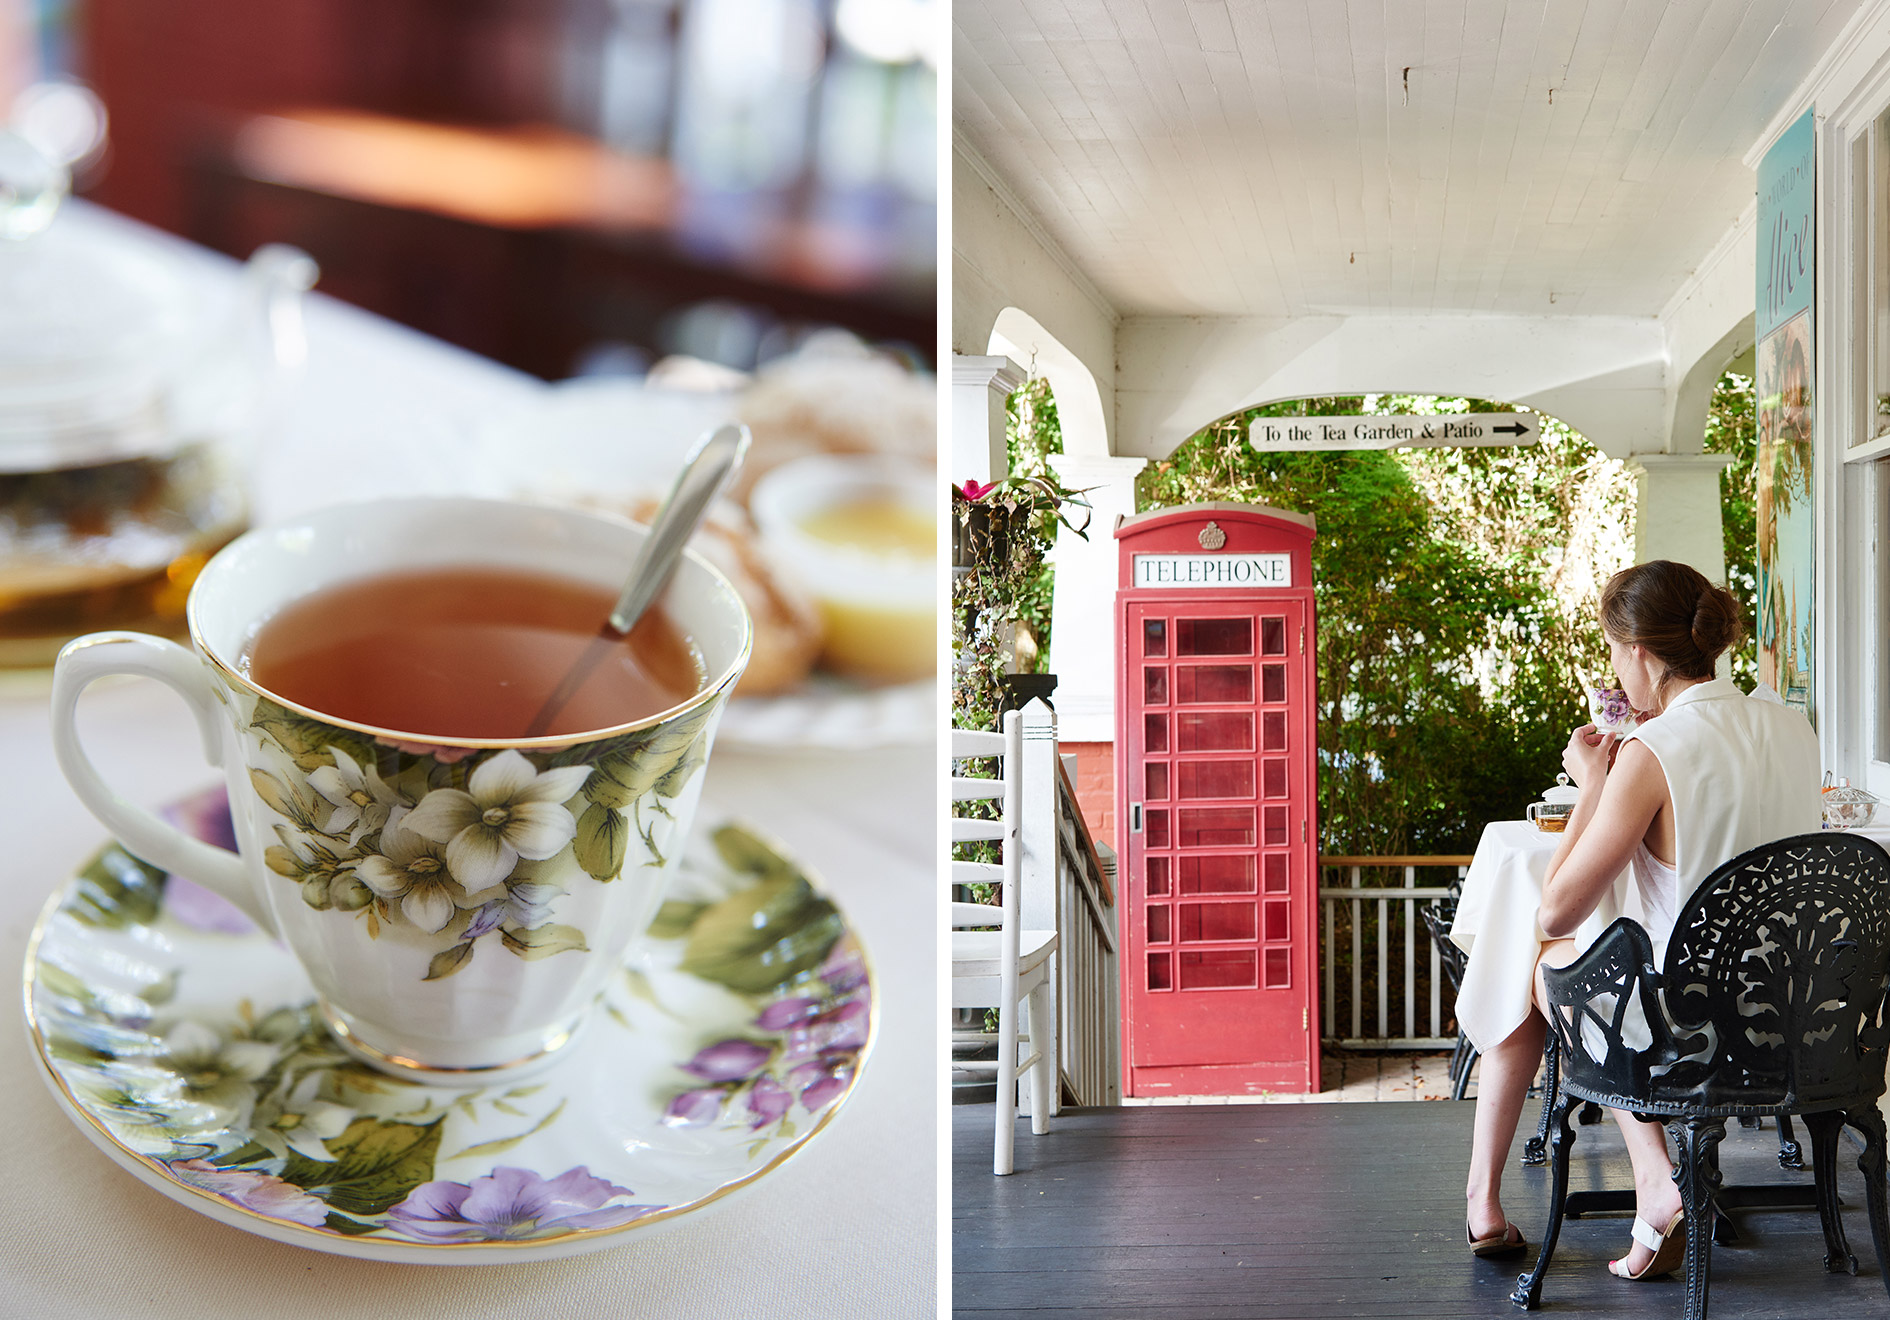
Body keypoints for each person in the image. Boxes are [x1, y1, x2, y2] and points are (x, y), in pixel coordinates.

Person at [1463, 559, 1820, 1278]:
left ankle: (1645, 1179)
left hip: (1684, 1029)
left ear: (1639, 653)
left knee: (1542, 963)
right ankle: (1619, 1189)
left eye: (1612, 650)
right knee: (1579, 961)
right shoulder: (1793, 730)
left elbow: (1557, 903)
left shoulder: (1653, 752)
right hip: (1792, 1016)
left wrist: (1592, 784)